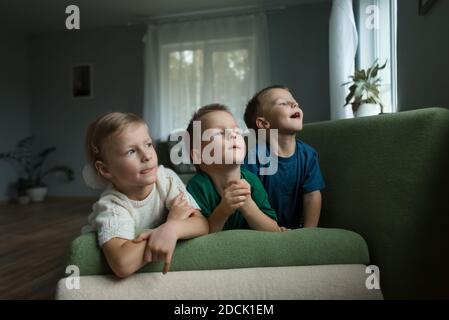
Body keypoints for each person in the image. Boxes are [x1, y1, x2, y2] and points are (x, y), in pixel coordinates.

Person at [81, 112, 209, 278]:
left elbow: (202, 224)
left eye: (148, 145)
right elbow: (123, 264)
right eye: (131, 151)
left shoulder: (166, 179)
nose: (147, 156)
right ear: (106, 169)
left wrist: (172, 229)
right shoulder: (112, 205)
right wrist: (168, 225)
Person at [185, 104, 281, 233]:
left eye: (237, 131)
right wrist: (223, 210)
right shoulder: (197, 187)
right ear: (198, 155)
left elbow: (273, 230)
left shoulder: (252, 181)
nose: (233, 135)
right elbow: (200, 237)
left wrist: (248, 206)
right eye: (220, 133)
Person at [243, 85, 325, 229]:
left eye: (295, 102)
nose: (294, 104)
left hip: (294, 229)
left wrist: (310, 232)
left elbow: (312, 195)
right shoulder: (253, 157)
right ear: (264, 123)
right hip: (259, 229)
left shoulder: (308, 155)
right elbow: (247, 199)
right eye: (283, 103)